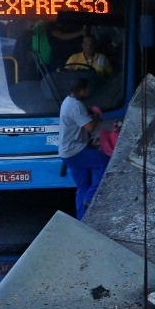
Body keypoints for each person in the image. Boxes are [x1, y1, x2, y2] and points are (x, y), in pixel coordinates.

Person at [58, 77, 109, 220]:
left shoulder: (67, 101)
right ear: (82, 91)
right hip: (75, 151)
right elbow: (90, 126)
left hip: (66, 152)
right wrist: (96, 115)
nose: (89, 91)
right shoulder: (76, 106)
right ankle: (91, 195)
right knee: (106, 163)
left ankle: (81, 220)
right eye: (87, 89)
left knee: (82, 186)